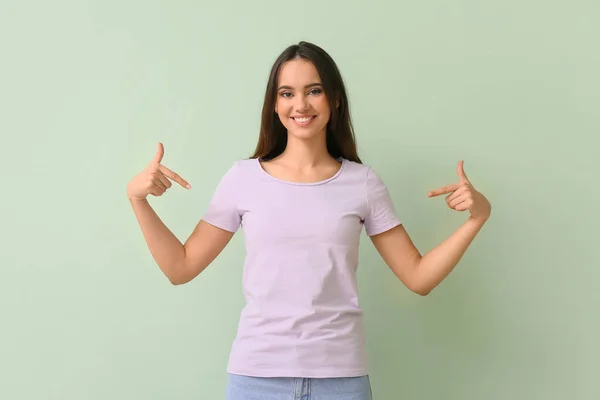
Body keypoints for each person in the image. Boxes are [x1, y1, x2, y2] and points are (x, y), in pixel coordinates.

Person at [127, 41, 492, 400]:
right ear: (274, 104)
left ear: (334, 98)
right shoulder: (243, 179)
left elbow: (418, 277)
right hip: (256, 379)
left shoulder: (362, 183)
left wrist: (476, 218)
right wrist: (138, 200)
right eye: (287, 93)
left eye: (313, 91)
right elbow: (181, 267)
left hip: (341, 381)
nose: (300, 105)